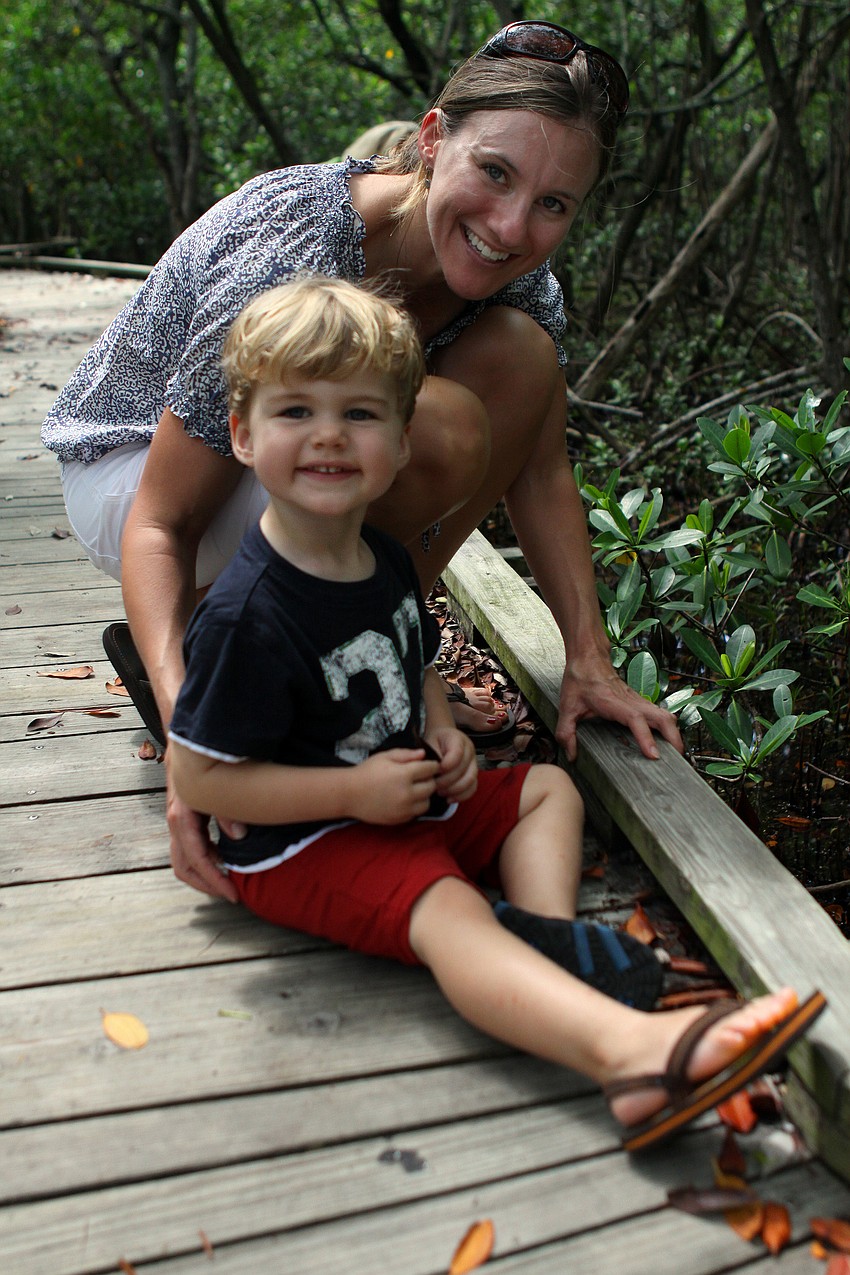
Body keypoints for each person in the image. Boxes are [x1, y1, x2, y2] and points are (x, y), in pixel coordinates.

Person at [167, 275, 825, 1154]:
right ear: (243, 435)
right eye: (296, 412)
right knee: (448, 910)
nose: (328, 434)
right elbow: (203, 778)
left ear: (402, 444)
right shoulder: (250, 614)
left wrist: (440, 724)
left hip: (398, 793)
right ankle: (629, 1055)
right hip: (296, 842)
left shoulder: (384, 560)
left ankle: (546, 949)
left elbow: (416, 661)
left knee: (548, 790)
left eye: (360, 414)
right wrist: (354, 794)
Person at [44, 20, 684, 905]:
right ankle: (239, 657)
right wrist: (193, 737)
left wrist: (589, 661)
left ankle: (349, 654)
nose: (511, 226)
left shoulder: (523, 282)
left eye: (553, 204)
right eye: (495, 173)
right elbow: (163, 519)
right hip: (131, 470)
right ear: (431, 139)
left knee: (520, 365)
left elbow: (540, 473)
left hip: (277, 474)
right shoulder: (300, 237)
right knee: (437, 427)